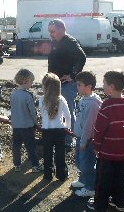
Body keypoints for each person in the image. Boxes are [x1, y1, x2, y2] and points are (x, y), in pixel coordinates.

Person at [87, 70, 124, 211]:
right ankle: (120, 203)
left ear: (112, 86)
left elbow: (99, 129)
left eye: (104, 83)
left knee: (103, 181)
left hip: (107, 152)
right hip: (122, 151)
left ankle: (100, 206)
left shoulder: (107, 106)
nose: (103, 86)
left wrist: (96, 145)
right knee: (120, 178)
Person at [48, 19, 86, 152]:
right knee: (55, 110)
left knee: (68, 110)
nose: (51, 34)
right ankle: (58, 136)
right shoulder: (54, 42)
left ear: (62, 29)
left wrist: (73, 75)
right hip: (54, 83)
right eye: (50, 31)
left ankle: (69, 140)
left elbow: (82, 57)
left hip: (67, 84)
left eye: (53, 31)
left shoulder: (70, 42)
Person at [71, 71, 102, 197]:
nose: (77, 87)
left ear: (89, 86)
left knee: (87, 164)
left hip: (88, 140)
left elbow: (89, 125)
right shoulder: (84, 99)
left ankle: (91, 188)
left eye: (79, 85)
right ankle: (84, 181)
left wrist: (84, 141)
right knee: (80, 162)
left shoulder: (92, 104)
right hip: (80, 138)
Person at [39, 73, 71, 181]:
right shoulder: (61, 99)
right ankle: (61, 174)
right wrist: (68, 126)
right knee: (60, 154)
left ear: (45, 86)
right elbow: (67, 115)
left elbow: (42, 114)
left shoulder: (42, 99)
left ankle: (48, 175)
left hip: (46, 130)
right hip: (60, 131)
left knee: (47, 154)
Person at [11, 69, 43, 172]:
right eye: (31, 82)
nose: (32, 84)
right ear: (25, 81)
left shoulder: (13, 93)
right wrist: (36, 123)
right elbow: (32, 112)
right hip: (27, 126)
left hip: (16, 125)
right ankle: (35, 166)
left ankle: (17, 165)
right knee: (31, 147)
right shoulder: (28, 95)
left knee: (16, 146)